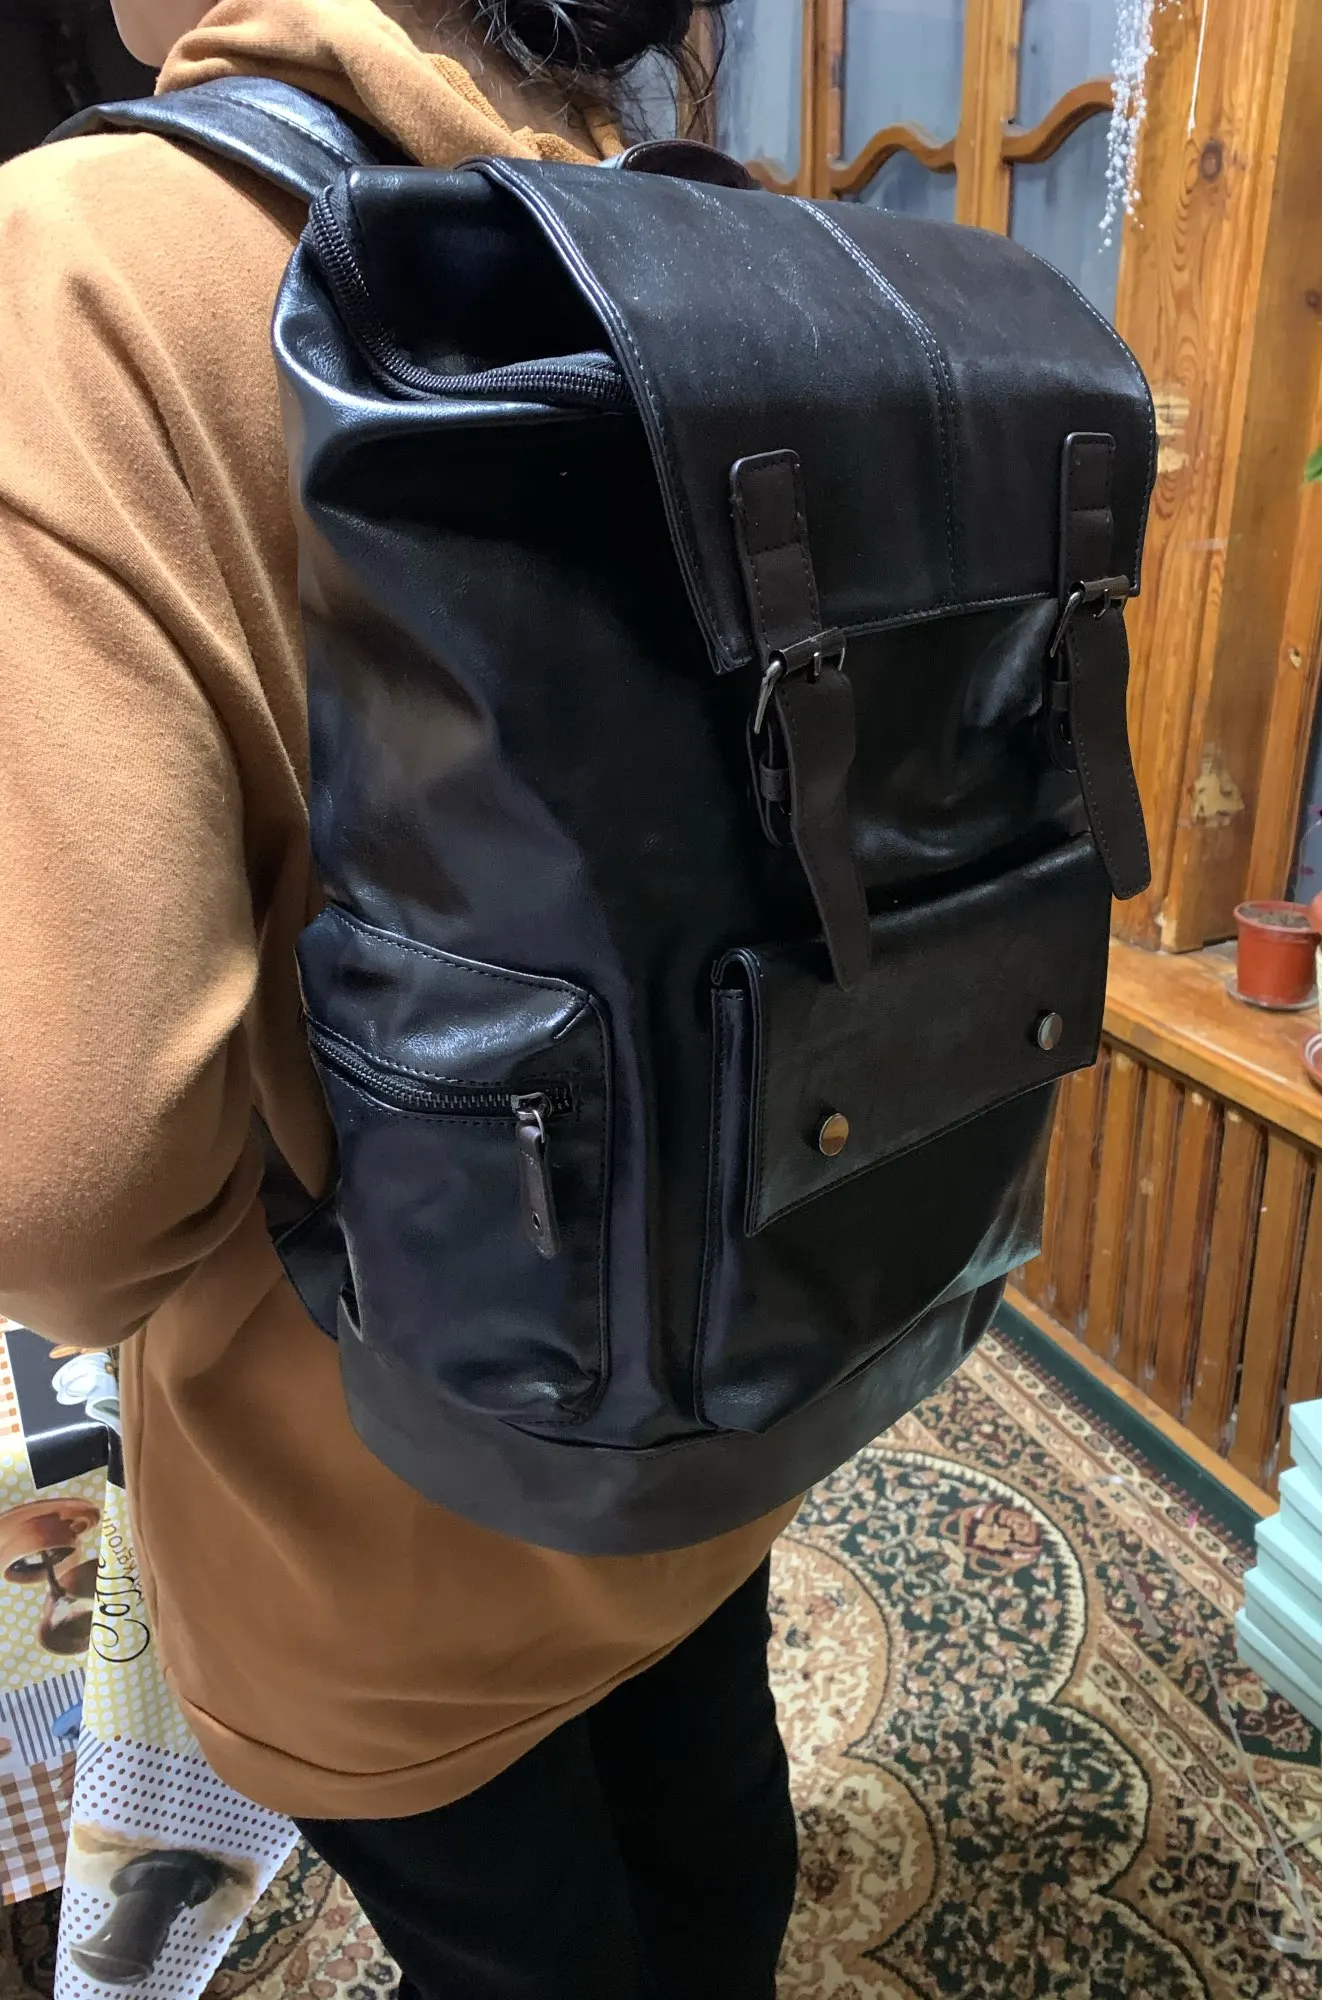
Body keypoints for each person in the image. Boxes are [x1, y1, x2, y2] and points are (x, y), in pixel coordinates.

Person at [0, 1, 801, 1993]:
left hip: (377, 1518)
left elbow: (69, 1187)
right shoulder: (698, 226)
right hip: (729, 1368)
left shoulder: (90, 263)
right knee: (716, 1851)